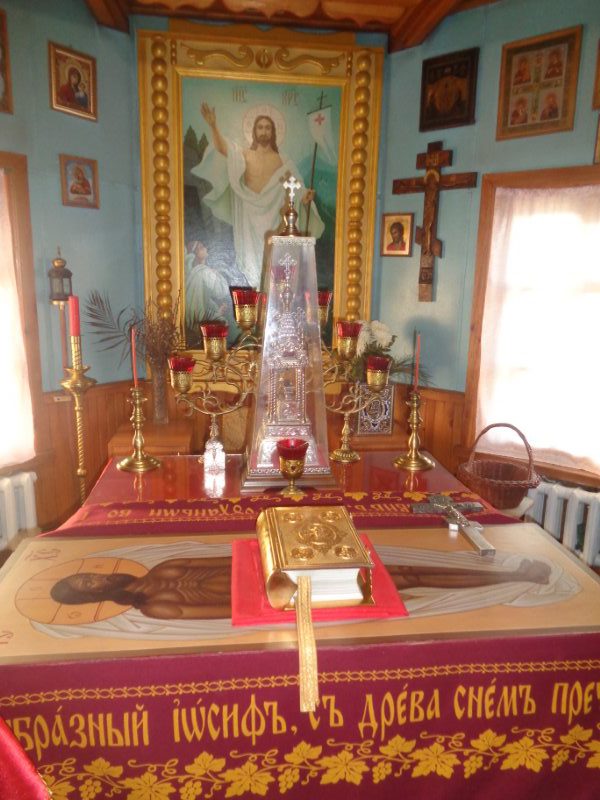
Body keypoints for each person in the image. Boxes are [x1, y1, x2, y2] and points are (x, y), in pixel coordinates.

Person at [191, 104, 324, 288]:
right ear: (254, 131)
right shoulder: (244, 155)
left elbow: (296, 185)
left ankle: (273, 294)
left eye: (268, 128)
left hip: (275, 219)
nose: (264, 131)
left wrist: (304, 195)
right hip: (249, 218)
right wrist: (213, 126)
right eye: (260, 127)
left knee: (276, 267)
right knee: (254, 268)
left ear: (273, 132)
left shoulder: (283, 160)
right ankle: (256, 294)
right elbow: (223, 149)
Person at [50, 557, 232, 620]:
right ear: (95, 594)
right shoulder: (153, 607)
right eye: (89, 583)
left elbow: (226, 561)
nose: (99, 577)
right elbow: (224, 611)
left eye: (90, 575)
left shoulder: (161, 568)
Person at [184, 239, 231, 332]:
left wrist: (218, 312)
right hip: (200, 324)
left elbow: (204, 301)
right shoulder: (203, 271)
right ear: (195, 254)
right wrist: (216, 274)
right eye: (201, 248)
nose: (205, 248)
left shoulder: (195, 272)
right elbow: (222, 291)